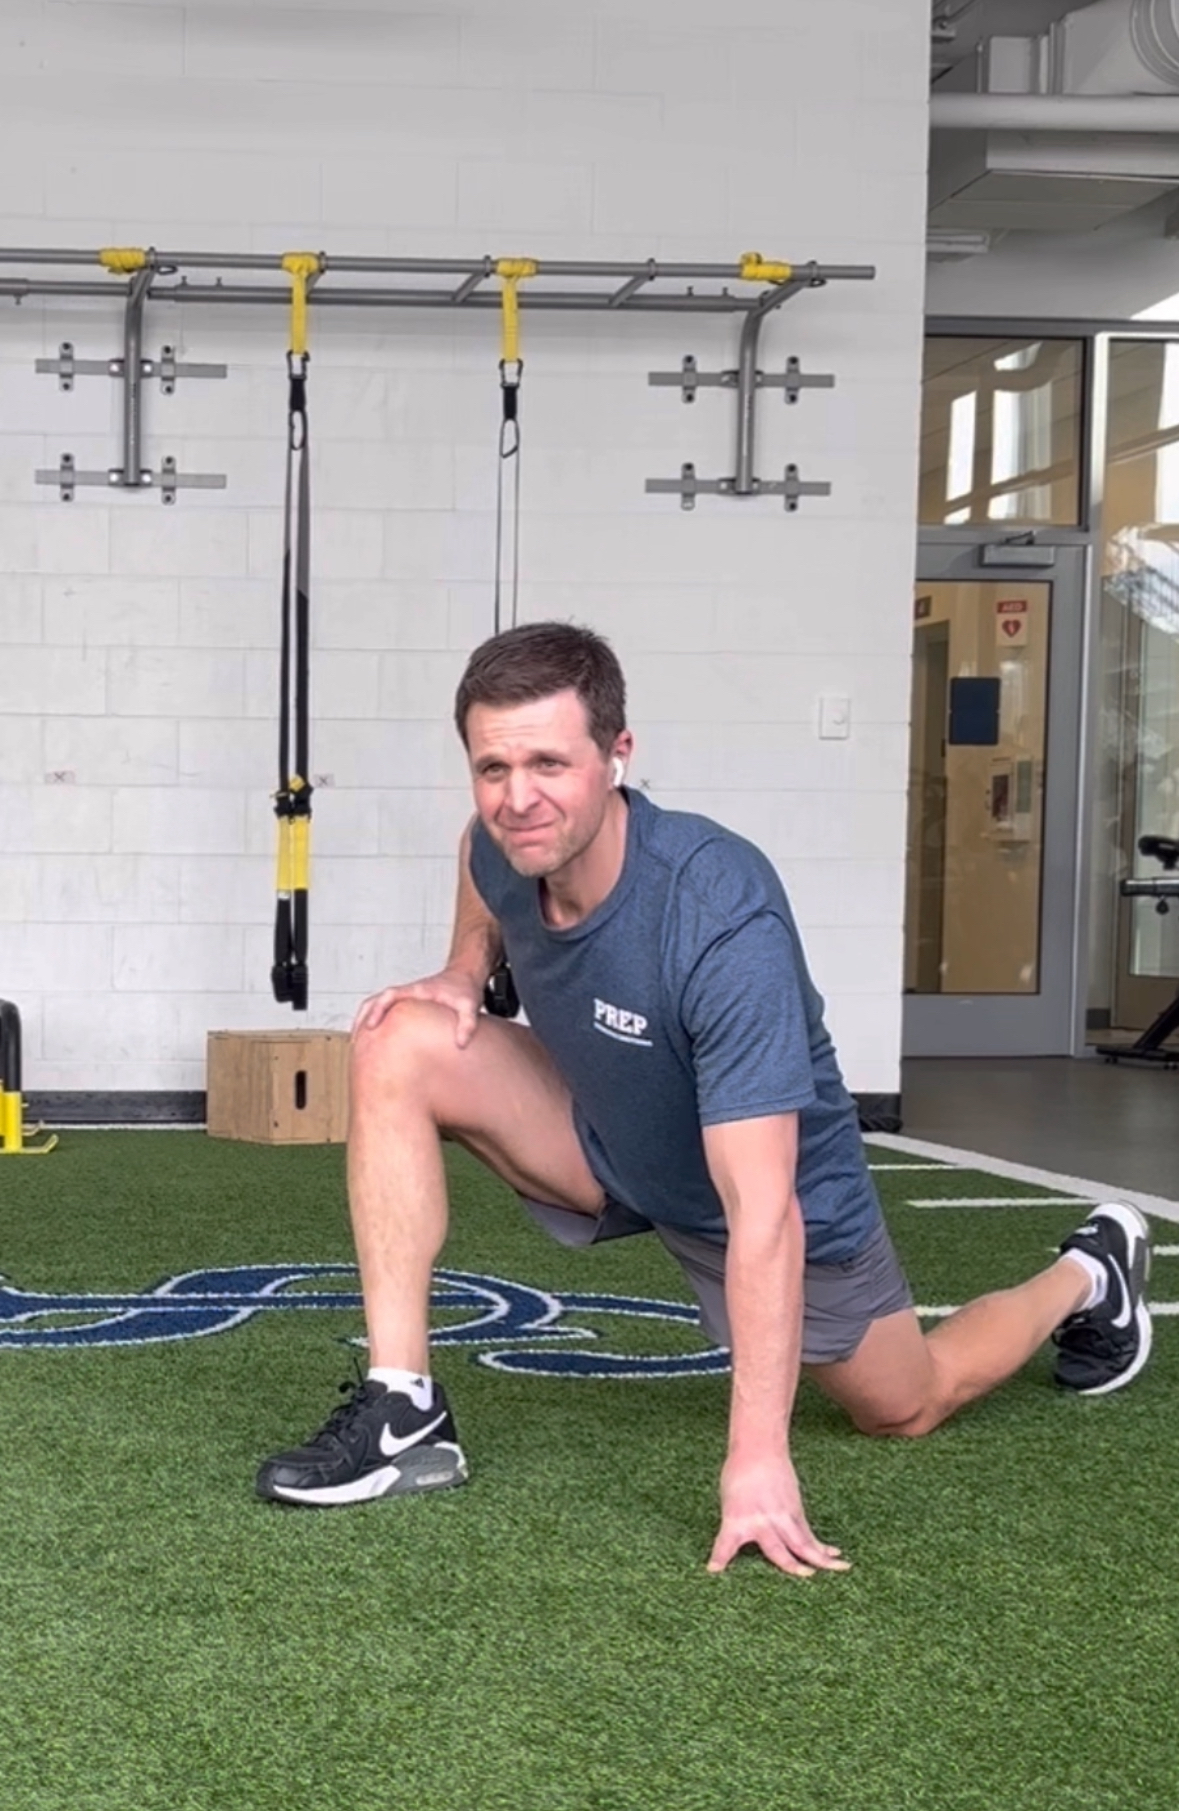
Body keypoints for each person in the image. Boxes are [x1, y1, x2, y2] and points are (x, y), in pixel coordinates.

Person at [256, 622, 1153, 1575]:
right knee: (396, 1036)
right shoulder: (503, 842)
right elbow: (480, 858)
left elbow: (763, 1207)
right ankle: (403, 1407)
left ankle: (1090, 1271)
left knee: (906, 1402)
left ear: (617, 754)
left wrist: (757, 1455)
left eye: (549, 764)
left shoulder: (717, 910)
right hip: (611, 1143)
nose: (518, 798)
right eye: (493, 767)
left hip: (763, 1197)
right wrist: (461, 969)